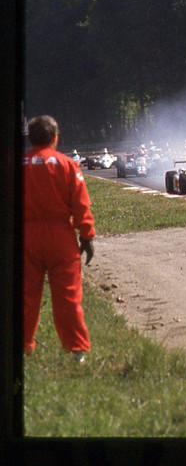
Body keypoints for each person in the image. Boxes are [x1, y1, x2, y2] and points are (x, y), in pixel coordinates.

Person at [23, 115, 95, 364]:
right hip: (60, 237)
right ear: (55, 137)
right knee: (68, 295)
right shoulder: (67, 165)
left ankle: (22, 346)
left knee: (24, 295)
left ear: (30, 138)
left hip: (26, 235)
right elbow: (81, 204)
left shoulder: (19, 164)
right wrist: (87, 235)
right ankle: (77, 350)